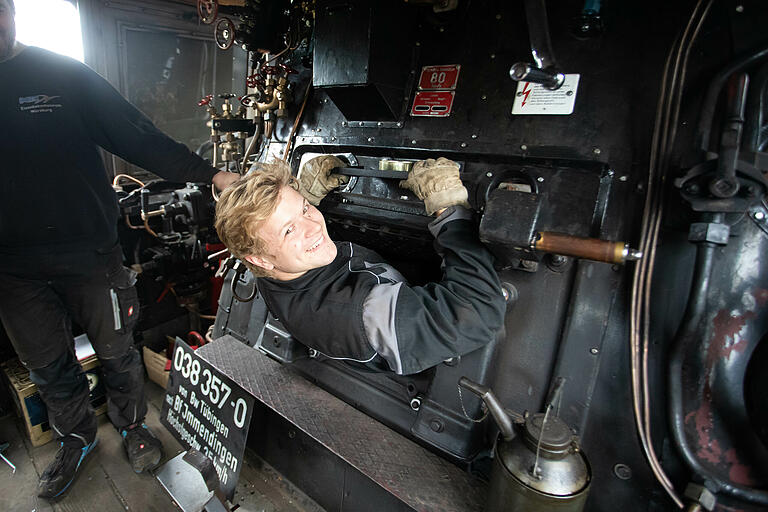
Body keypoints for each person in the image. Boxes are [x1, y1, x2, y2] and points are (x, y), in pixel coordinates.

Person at [0, 0, 239, 499]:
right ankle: (77, 438)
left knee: (117, 351)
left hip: (90, 254)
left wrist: (213, 174)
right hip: (12, 269)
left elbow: (140, 138)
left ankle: (132, 427)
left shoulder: (61, 74)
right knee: (47, 364)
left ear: (12, 11)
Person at [214, 156, 506, 375]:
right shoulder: (361, 313)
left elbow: (288, 230)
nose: (313, 226)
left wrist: (307, 196)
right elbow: (477, 313)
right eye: (288, 230)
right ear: (259, 259)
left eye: (304, 208)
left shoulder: (271, 269)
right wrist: (450, 211)